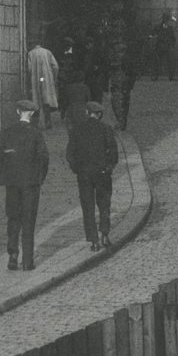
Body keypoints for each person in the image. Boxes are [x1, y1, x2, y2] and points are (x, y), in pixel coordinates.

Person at [0, 100, 50, 270]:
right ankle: (28, 261)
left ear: (17, 112)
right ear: (32, 114)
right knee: (29, 220)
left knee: (13, 218)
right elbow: (44, 158)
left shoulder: (8, 132)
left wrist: (5, 177)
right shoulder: (36, 134)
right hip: (30, 184)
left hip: (12, 183)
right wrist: (39, 178)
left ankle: (13, 255)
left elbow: (0, 157)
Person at [67, 95, 120, 250]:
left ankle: (93, 240)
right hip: (102, 173)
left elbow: (70, 154)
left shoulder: (77, 130)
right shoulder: (106, 129)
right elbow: (114, 153)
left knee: (87, 206)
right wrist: (109, 168)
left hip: (84, 174)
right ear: (99, 114)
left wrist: (77, 169)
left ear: (86, 112)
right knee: (104, 204)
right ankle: (104, 234)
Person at [26, 35, 61, 129]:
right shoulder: (47, 52)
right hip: (46, 79)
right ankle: (48, 122)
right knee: (46, 100)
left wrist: (29, 80)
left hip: (36, 79)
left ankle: (36, 123)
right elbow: (56, 66)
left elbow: (29, 69)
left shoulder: (30, 53)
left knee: (36, 100)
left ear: (33, 44)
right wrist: (53, 78)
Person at [112, 27, 140, 131]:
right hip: (119, 83)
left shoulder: (126, 58)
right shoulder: (120, 56)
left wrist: (129, 82)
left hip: (122, 83)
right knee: (120, 103)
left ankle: (121, 122)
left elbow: (131, 72)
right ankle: (121, 122)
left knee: (120, 103)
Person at [154, 11, 178, 81]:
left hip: (161, 46)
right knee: (169, 62)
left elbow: (153, 35)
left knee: (159, 62)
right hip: (166, 46)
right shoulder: (169, 28)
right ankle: (170, 76)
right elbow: (173, 38)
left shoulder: (159, 27)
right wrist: (172, 45)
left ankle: (156, 76)